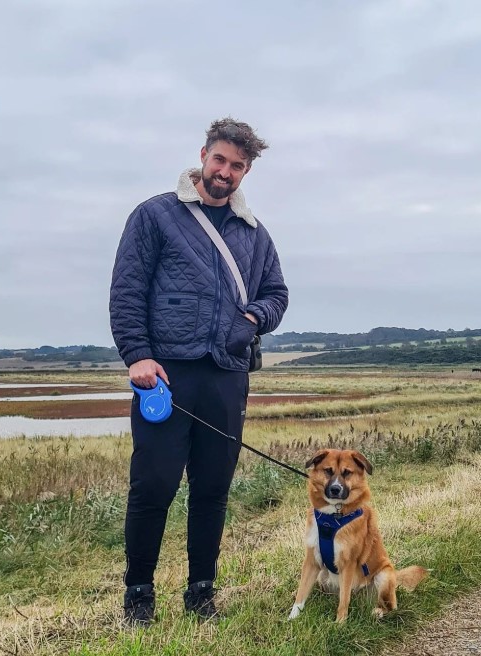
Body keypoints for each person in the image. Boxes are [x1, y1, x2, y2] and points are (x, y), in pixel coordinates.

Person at [109, 118, 289, 625]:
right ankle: (139, 597)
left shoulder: (255, 234)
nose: (225, 172)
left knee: (212, 488)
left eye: (237, 166)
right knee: (154, 487)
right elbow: (127, 290)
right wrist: (136, 355)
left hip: (227, 376)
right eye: (219, 160)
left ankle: (201, 593)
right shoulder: (155, 216)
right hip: (165, 376)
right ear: (203, 156)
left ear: (245, 171)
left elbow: (277, 294)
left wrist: (254, 317)